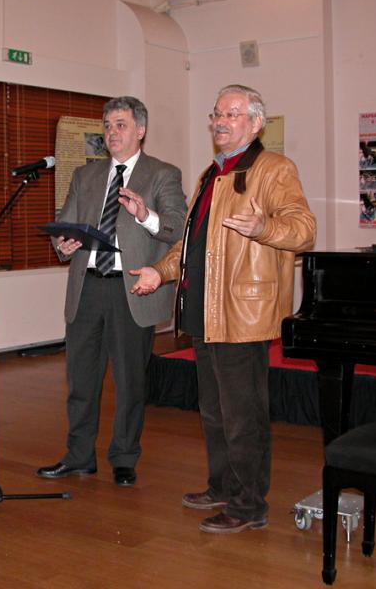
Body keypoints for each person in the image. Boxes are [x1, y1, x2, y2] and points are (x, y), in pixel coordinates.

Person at [130, 84, 316, 532]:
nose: (220, 121)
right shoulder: (211, 175)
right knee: (214, 412)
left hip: (242, 314)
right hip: (203, 311)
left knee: (242, 417)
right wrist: (159, 271)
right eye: (216, 114)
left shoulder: (274, 169)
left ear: (256, 123)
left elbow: (304, 230)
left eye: (232, 114)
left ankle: (249, 506)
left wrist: (263, 227)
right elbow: (190, 244)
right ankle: (221, 486)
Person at [37, 96, 187, 487]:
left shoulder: (162, 174)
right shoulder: (85, 176)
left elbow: (177, 227)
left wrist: (145, 214)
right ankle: (78, 456)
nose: (112, 132)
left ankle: (123, 458)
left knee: (130, 382)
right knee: (80, 381)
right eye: (107, 125)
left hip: (131, 289)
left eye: (120, 125)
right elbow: (65, 223)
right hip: (86, 287)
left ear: (141, 130)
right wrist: (63, 243)